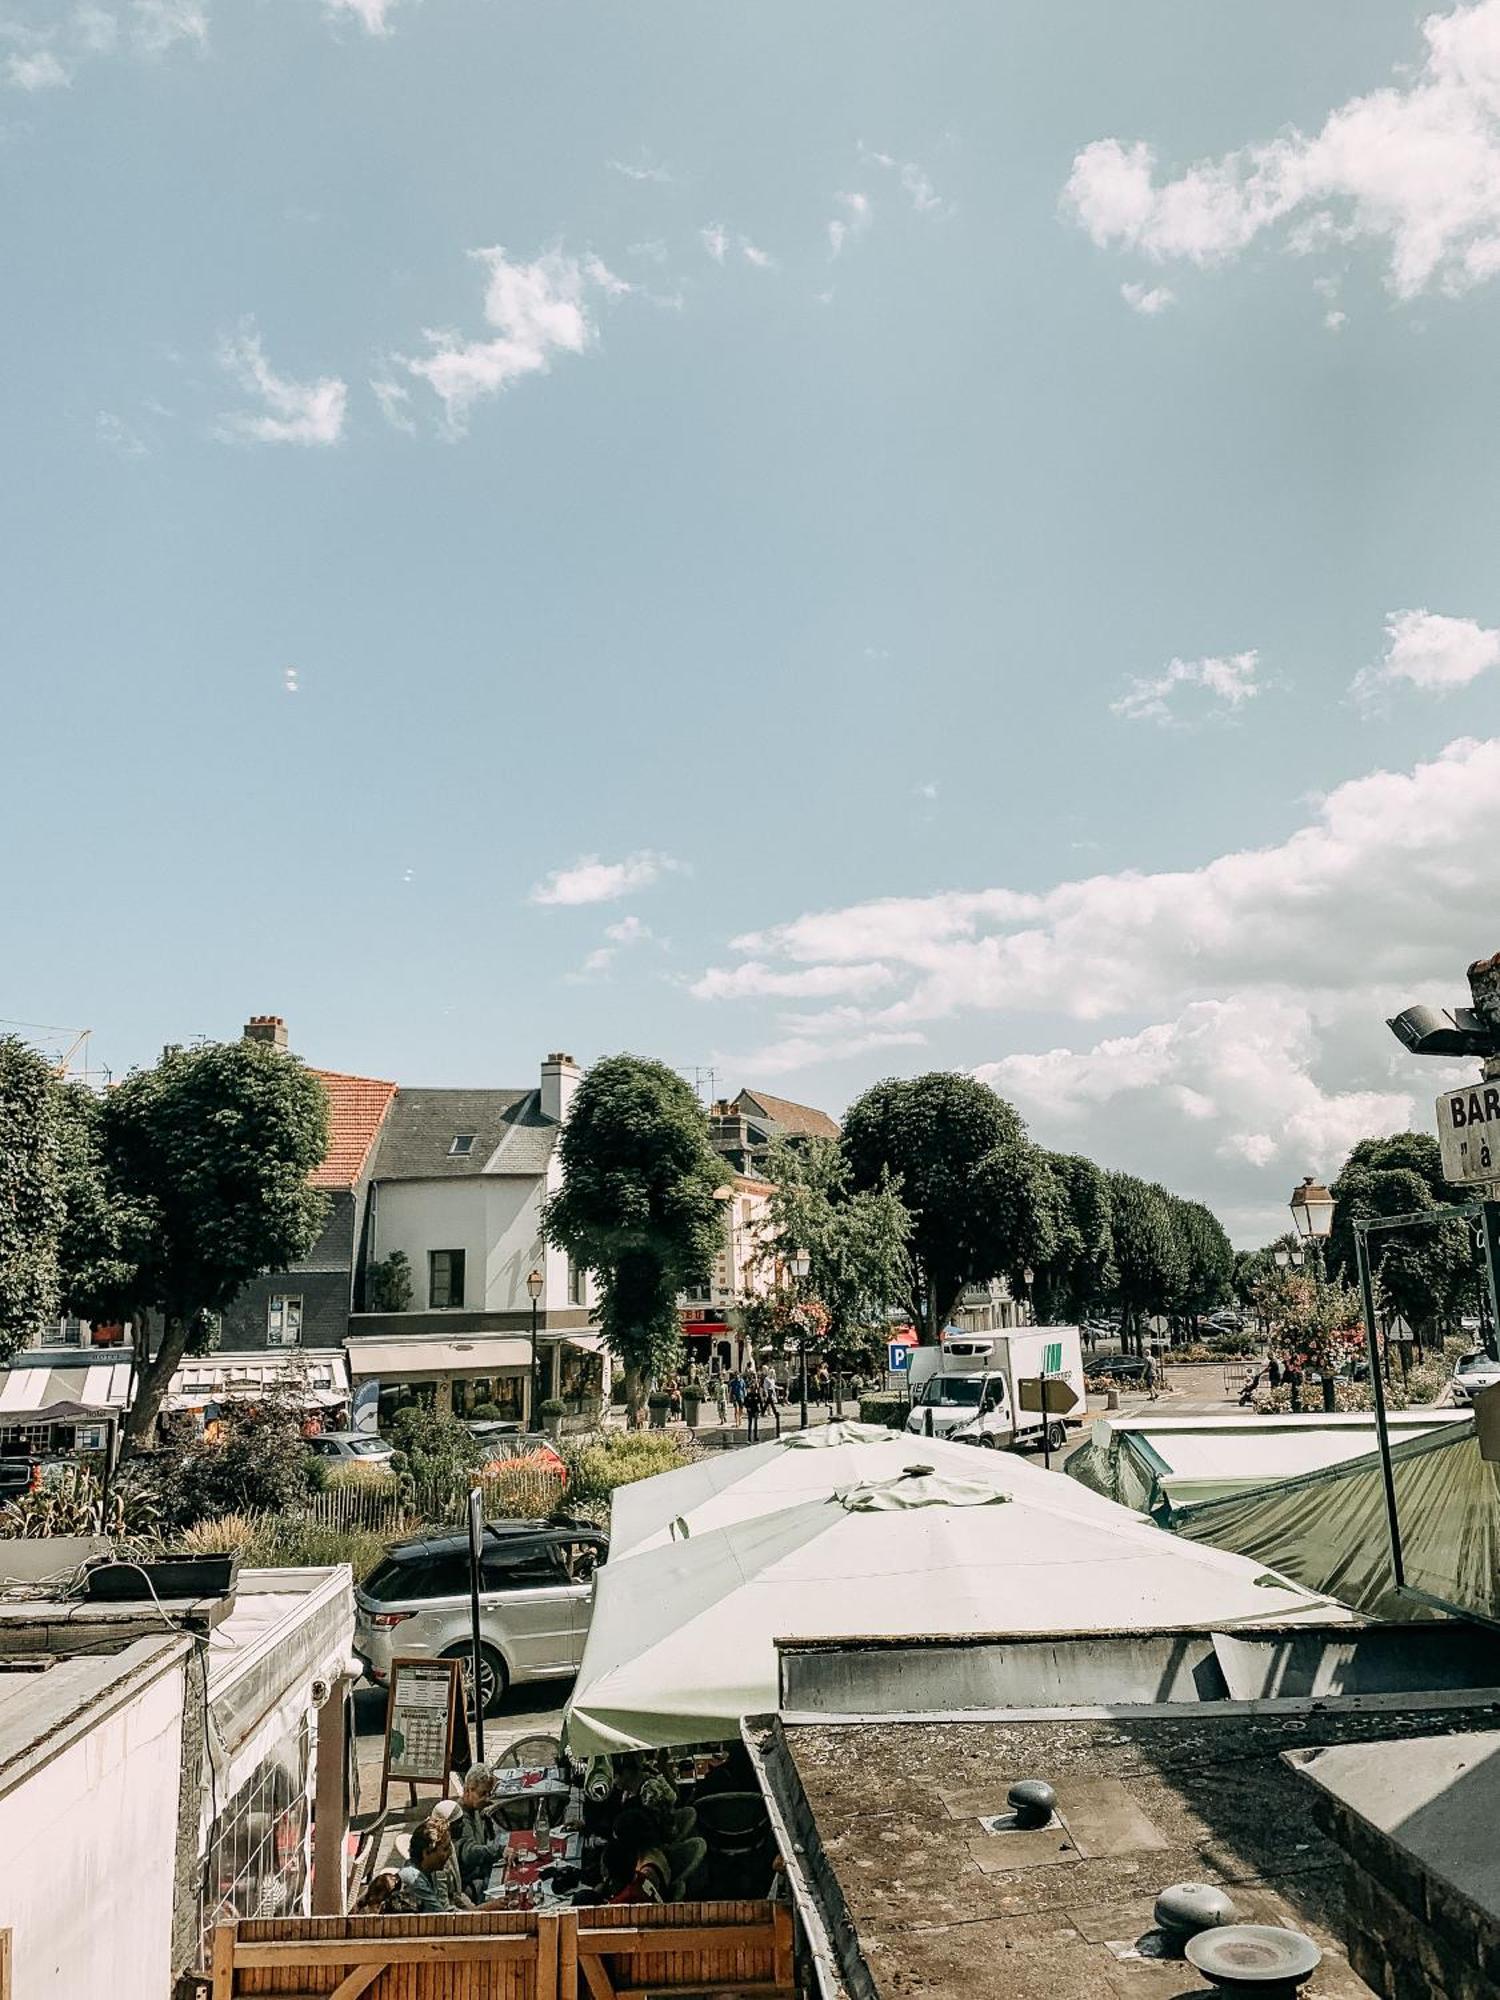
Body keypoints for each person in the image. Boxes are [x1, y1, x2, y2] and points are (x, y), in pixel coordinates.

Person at [452, 1764, 504, 1898]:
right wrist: (499, 1851)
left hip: (482, 1870)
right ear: (468, 1790)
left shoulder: (476, 1809)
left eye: (489, 1793)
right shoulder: (460, 1819)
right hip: (468, 1881)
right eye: (482, 1794)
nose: (486, 1798)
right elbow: (469, 1853)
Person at [743, 1373, 763, 1443]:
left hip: (756, 1410)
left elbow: (760, 1402)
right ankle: (749, 1437)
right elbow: (745, 1403)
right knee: (750, 1423)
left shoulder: (757, 1395)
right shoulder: (748, 1395)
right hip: (750, 1410)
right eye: (752, 1388)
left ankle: (756, 1436)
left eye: (754, 1388)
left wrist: (761, 1409)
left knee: (756, 1424)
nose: (753, 1390)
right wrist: (747, 1407)